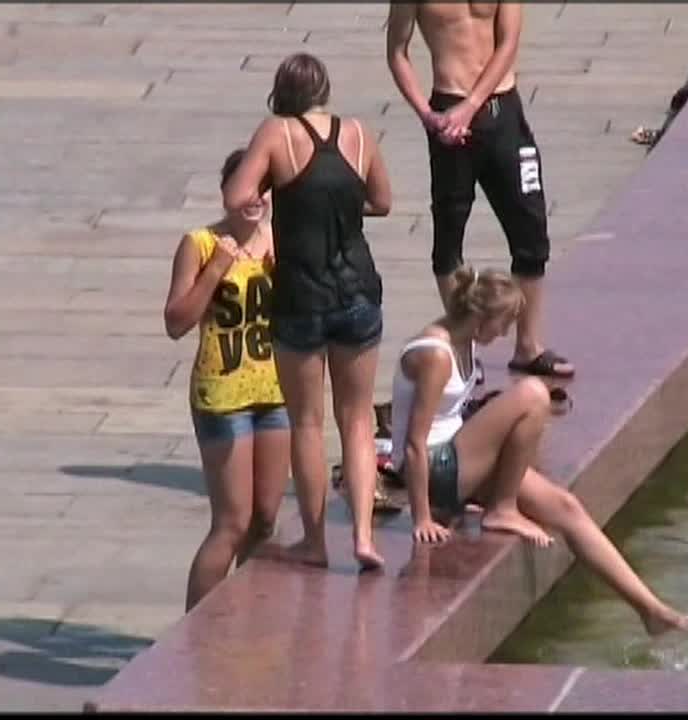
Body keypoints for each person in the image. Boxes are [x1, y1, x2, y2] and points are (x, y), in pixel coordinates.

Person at [390, 266, 688, 635]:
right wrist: (422, 517)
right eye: (504, 324)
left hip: (459, 462)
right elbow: (414, 443)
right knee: (533, 394)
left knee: (567, 508)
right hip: (435, 469)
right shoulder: (436, 355)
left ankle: (652, 611)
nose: (505, 334)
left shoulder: (465, 341)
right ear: (480, 318)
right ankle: (503, 509)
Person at [223, 53, 393, 571]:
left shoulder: (277, 133)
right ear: (325, 90)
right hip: (358, 291)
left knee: (306, 423)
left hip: (300, 296)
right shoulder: (358, 134)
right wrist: (341, 205)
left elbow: (238, 194)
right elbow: (383, 201)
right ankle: (363, 536)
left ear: (281, 93)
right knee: (358, 420)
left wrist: (275, 196)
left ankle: (316, 542)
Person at [386, 1, 575, 379]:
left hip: (502, 111)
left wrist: (471, 105)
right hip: (448, 108)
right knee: (449, 237)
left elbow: (508, 42)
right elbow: (396, 52)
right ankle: (463, 350)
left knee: (531, 231)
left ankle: (528, 345)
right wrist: (427, 114)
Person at [164, 149, 291, 612]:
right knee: (232, 522)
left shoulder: (283, 242)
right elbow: (176, 322)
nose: (255, 199)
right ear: (226, 193)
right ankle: (195, 630)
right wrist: (216, 268)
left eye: (263, 189)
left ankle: (248, 621)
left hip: (277, 392)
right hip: (223, 394)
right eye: (245, 189)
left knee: (265, 519)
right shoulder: (199, 244)